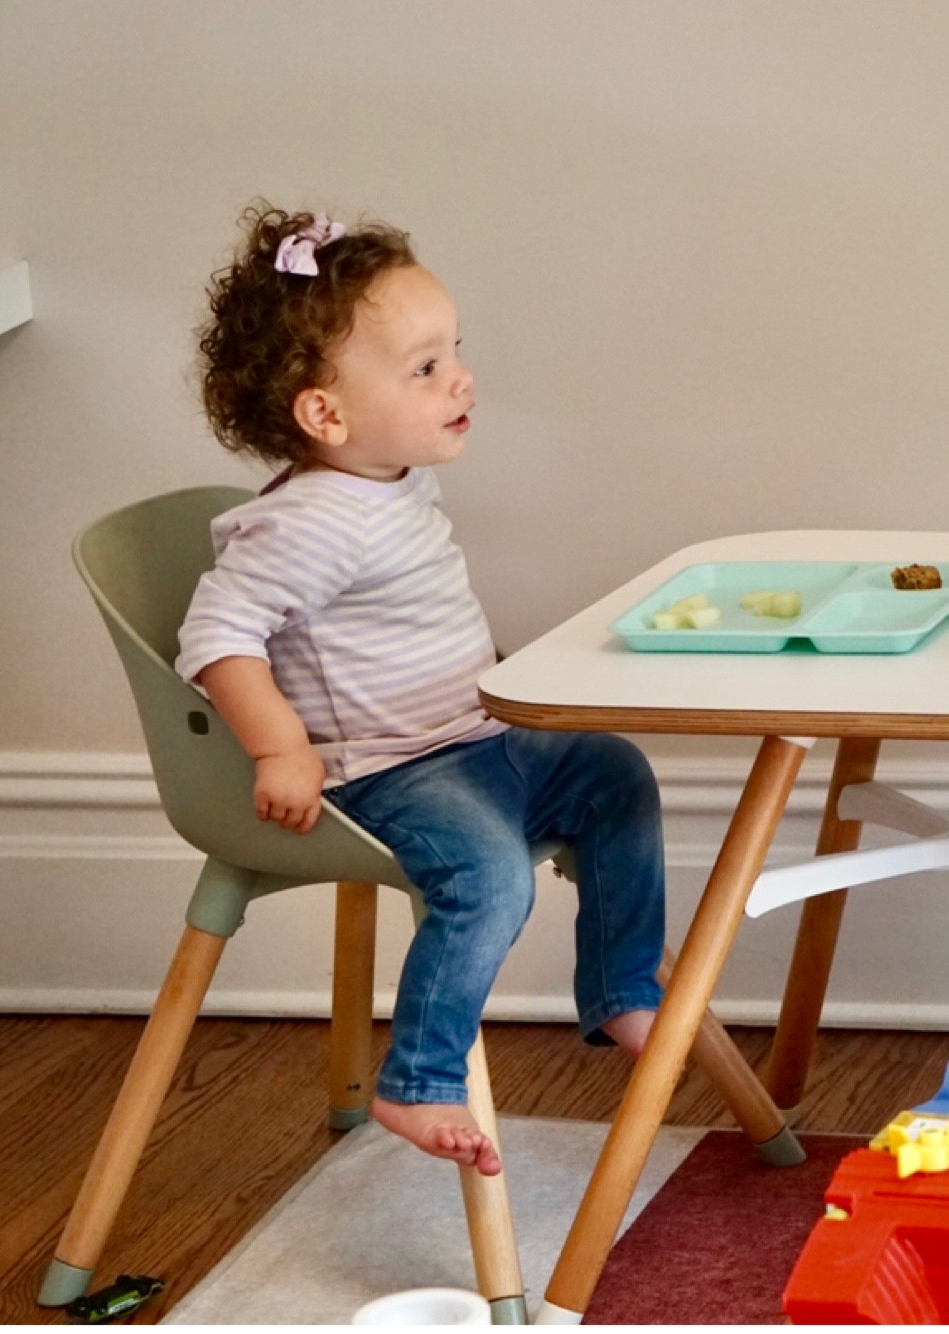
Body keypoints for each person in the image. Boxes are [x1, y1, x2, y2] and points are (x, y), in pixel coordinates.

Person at [176, 204, 667, 1177]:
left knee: (614, 773)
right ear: (326, 414)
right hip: (391, 771)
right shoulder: (313, 520)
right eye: (425, 367)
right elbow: (217, 633)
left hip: (475, 740)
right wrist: (281, 746)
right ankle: (420, 1076)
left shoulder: (390, 475)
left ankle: (617, 988)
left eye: (456, 353)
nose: (461, 379)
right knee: (488, 876)